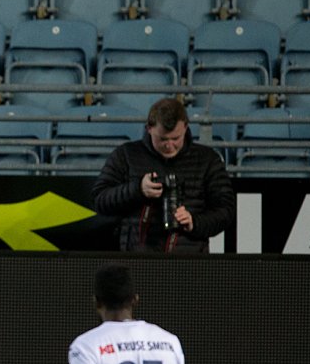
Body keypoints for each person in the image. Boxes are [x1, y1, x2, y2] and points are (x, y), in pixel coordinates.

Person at [91, 97, 237, 252]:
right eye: (162, 139)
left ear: (186, 128)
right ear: (149, 128)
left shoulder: (207, 159)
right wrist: (138, 189)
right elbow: (99, 200)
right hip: (136, 260)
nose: (169, 145)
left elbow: (226, 210)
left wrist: (194, 222)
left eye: (176, 138)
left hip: (190, 262)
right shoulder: (126, 155)